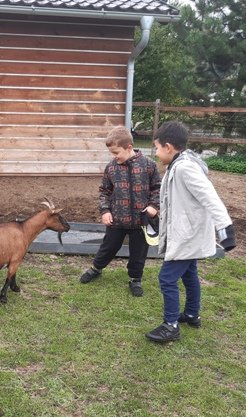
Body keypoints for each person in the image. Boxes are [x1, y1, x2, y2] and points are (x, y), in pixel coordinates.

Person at [146, 121, 236, 343]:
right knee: (189, 274)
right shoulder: (178, 165)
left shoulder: (185, 167)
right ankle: (192, 314)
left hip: (187, 236)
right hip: (186, 232)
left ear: (168, 147)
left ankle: (171, 326)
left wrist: (225, 229)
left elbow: (210, 197)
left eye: (157, 148)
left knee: (167, 278)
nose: (156, 153)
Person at [79, 126, 161, 297]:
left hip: (141, 220)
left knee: (138, 253)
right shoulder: (111, 168)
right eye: (111, 153)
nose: (114, 156)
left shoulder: (149, 165)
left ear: (129, 147)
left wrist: (154, 206)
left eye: (116, 152)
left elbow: (157, 188)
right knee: (108, 247)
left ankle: (135, 279)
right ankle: (96, 268)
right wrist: (105, 211)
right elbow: (104, 191)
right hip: (116, 220)